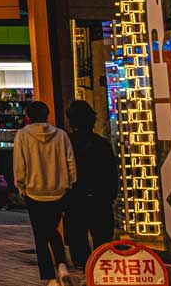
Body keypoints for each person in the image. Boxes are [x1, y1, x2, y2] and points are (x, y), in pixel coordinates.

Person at [13, 101, 77, 286]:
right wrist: (69, 182)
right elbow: (70, 161)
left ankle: (50, 277)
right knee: (52, 229)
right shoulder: (61, 135)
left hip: (34, 191)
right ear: (47, 115)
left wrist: (21, 185)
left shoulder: (23, 135)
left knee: (41, 235)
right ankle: (62, 264)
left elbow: (19, 163)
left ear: (28, 117)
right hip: (59, 190)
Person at [62, 100, 118, 267]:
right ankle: (100, 274)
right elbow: (111, 174)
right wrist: (110, 196)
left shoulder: (66, 144)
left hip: (75, 200)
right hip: (100, 200)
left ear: (71, 121)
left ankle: (85, 273)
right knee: (103, 244)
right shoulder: (102, 144)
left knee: (78, 243)